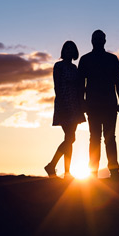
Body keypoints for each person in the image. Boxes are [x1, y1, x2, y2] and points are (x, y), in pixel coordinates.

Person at [79, 30, 119, 179]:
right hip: (93, 105)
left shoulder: (112, 59)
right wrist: (83, 103)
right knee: (95, 138)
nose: (98, 41)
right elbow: (81, 85)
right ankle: (93, 172)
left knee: (109, 138)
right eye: (95, 38)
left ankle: (113, 170)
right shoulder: (85, 60)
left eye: (100, 38)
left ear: (104, 41)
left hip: (110, 104)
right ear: (92, 41)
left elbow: (118, 82)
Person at [45, 41, 86, 178]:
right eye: (66, 49)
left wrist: (81, 104)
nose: (69, 51)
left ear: (74, 52)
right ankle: (54, 167)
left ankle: (61, 169)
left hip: (75, 105)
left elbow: (80, 86)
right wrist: (62, 104)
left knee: (70, 138)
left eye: (71, 49)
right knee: (70, 138)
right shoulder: (59, 66)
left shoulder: (75, 68)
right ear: (63, 51)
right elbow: (57, 86)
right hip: (64, 104)